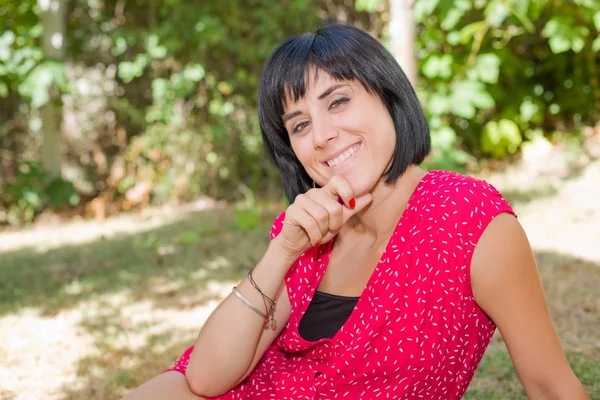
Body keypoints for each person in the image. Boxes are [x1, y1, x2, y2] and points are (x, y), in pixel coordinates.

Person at [121, 23, 589, 400]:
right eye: (300, 124)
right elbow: (204, 379)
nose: (322, 135)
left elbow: (550, 385)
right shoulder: (305, 228)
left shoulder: (469, 220)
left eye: (338, 101)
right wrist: (282, 251)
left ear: (388, 96)